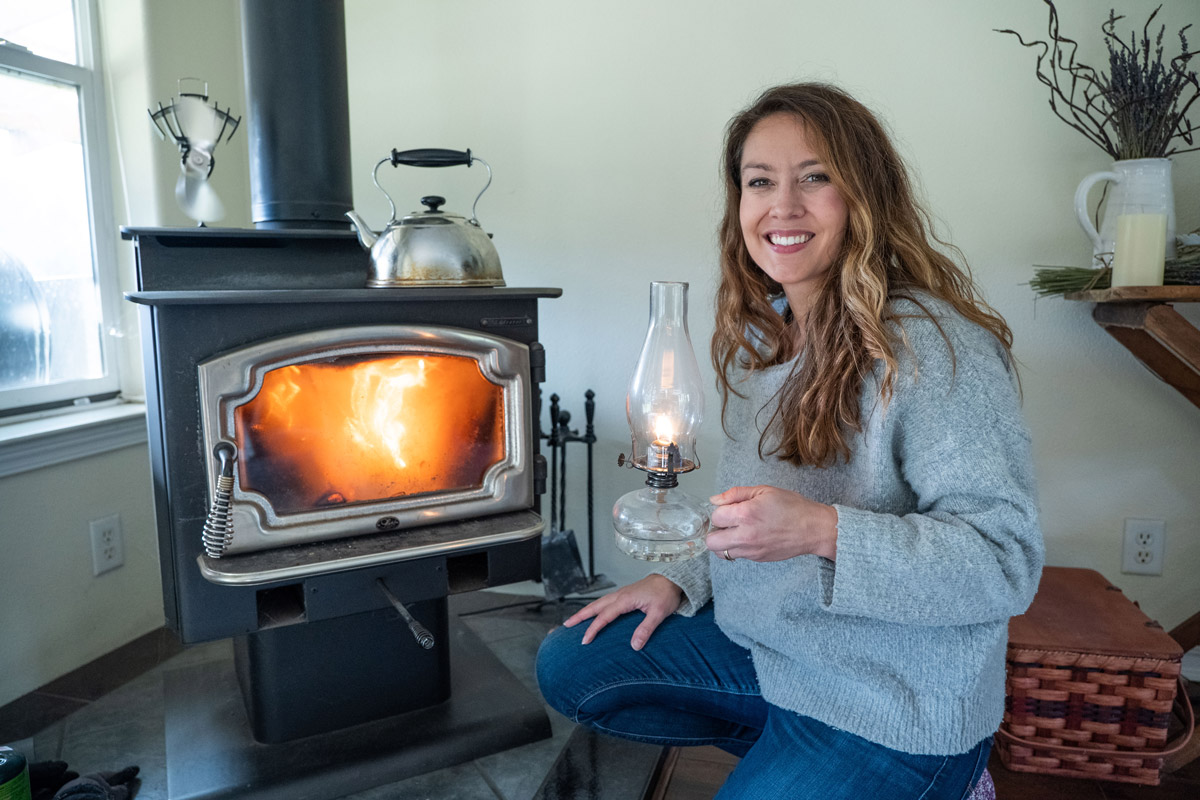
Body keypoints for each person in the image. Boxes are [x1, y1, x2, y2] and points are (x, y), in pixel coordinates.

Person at [534, 82, 1044, 799]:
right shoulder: (765, 339)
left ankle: (936, 783)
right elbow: (753, 520)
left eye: (815, 178)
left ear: (866, 194)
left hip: (893, 702)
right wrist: (680, 578)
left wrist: (822, 530)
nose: (783, 206)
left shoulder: (934, 349)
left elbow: (1005, 561)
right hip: (778, 656)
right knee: (574, 665)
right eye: (759, 182)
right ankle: (785, 755)